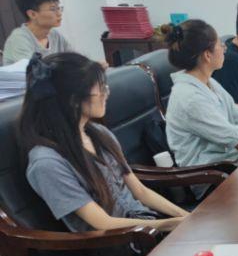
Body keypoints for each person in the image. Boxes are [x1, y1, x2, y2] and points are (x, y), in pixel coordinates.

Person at [19, 52, 187, 233]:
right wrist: (170, 225)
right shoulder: (47, 163)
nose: (106, 94)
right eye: (101, 89)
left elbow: (140, 191)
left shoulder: (99, 133)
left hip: (145, 227)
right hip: (117, 242)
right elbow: (103, 224)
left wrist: (186, 216)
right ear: (74, 99)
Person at [164, 20, 238, 169]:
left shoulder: (209, 82)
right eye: (220, 44)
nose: (225, 48)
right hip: (210, 173)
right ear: (208, 55)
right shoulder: (190, 98)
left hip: (230, 159)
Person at [3, 0, 84, 65]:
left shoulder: (54, 34)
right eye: (53, 9)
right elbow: (34, 71)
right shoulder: (19, 39)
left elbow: (76, 60)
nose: (59, 13)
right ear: (32, 14)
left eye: (58, 8)